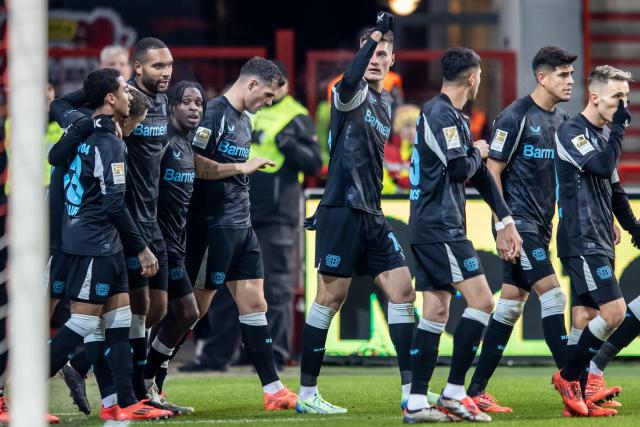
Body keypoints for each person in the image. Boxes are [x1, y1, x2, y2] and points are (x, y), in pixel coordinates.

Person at [299, 12, 417, 415]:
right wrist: (376, 34)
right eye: (370, 51)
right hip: (342, 210)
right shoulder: (348, 92)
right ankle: (307, 394)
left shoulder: (385, 103)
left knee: (403, 291)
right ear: (360, 55)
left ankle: (410, 393)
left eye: (383, 52)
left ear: (392, 60)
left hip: (371, 212)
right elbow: (349, 80)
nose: (375, 58)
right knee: (330, 297)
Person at [403, 47, 522, 423]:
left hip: (431, 225)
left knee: (437, 309)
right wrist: (478, 149)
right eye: (481, 75)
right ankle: (454, 392)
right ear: (472, 78)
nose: (480, 81)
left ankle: (417, 402)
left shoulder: (449, 114)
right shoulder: (442, 114)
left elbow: (479, 174)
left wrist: (504, 218)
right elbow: (460, 169)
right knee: (483, 302)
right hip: (440, 227)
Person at [181, 62, 322, 373]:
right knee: (209, 299)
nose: (270, 101)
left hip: (272, 216)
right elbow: (188, 158)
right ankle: (209, 357)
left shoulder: (294, 116)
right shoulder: (222, 112)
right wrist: (236, 170)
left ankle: (273, 361)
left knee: (271, 291)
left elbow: (315, 163)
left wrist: (290, 146)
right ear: (254, 85)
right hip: (221, 218)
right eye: (268, 93)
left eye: (275, 93)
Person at [47, 68, 171, 421]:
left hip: (102, 242)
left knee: (118, 321)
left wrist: (93, 92)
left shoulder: (82, 124)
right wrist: (141, 248)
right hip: (91, 242)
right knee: (83, 325)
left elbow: (59, 113)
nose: (130, 94)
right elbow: (114, 204)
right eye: (124, 89)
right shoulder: (109, 142)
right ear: (111, 99)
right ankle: (22, 390)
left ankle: (122, 401)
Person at [466, 46, 577, 413]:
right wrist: (503, 225)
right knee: (554, 297)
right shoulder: (514, 116)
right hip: (519, 225)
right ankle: (572, 380)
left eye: (572, 75)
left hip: (542, 227)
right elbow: (491, 171)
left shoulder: (561, 121)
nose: (570, 81)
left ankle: (475, 390)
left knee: (511, 305)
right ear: (542, 77)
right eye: (563, 75)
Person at [552, 65, 632, 417]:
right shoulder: (573, 131)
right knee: (613, 312)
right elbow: (601, 166)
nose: (624, 105)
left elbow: (616, 191)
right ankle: (569, 376)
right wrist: (620, 129)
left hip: (600, 236)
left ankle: (579, 396)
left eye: (627, 98)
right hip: (581, 238)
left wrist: (635, 228)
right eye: (618, 97)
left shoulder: (601, 137)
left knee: (584, 316)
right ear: (595, 97)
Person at [142, 81, 204, 415]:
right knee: (160, 313)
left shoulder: (187, 141)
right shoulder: (163, 139)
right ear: (172, 107)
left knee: (184, 313)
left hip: (175, 243)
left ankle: (146, 381)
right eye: (188, 102)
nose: (194, 108)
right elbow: (145, 188)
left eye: (199, 104)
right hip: (156, 241)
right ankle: (133, 386)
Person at [124, 37, 173, 401]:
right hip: (127, 220)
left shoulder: (162, 101)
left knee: (160, 307)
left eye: (170, 65)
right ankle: (135, 391)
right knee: (136, 308)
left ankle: (102, 365)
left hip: (153, 217)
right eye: (158, 66)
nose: (167, 72)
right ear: (138, 67)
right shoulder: (122, 102)